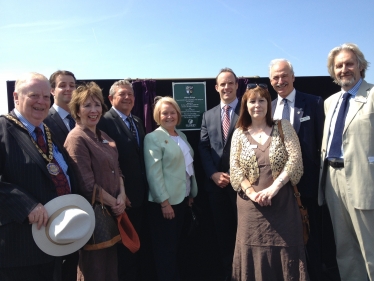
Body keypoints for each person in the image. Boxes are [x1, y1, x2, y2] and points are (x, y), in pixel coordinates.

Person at [0, 72, 77, 281]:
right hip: (20, 249)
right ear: (16, 97)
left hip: (55, 243)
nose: (42, 102)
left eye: (46, 97)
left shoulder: (47, 132)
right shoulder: (3, 129)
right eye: (34, 95)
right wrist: (26, 205)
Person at [230, 84, 309, 280]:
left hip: (283, 205)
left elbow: (295, 160)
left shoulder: (283, 126)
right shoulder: (239, 133)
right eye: (252, 101)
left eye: (262, 100)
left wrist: (273, 189)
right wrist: (253, 194)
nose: (257, 105)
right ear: (246, 106)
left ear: (269, 103)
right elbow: (235, 169)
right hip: (251, 209)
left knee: (287, 253)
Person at [319, 43, 374, 281]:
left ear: (360, 66)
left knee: (370, 248)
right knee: (345, 249)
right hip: (333, 181)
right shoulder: (330, 102)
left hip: (364, 181)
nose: (344, 69)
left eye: (349, 63)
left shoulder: (372, 96)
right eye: (338, 65)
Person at [64, 82, 126, 281]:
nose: (94, 110)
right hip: (92, 219)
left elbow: (118, 170)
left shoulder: (103, 135)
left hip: (112, 215)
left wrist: (122, 196)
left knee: (110, 269)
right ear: (77, 110)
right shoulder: (76, 138)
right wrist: (114, 203)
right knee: (95, 271)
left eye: (97, 105)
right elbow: (86, 185)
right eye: (87, 106)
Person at [269, 59, 324, 280]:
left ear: (293, 77)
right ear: (270, 80)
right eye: (275, 77)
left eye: (284, 76)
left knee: (312, 237)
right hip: (277, 187)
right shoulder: (267, 107)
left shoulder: (314, 103)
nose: (280, 81)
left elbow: (322, 143)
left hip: (308, 185)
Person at [98, 79, 148, 281]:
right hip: (120, 199)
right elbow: (106, 163)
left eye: (130, 94)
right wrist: (120, 192)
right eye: (122, 94)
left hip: (141, 197)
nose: (127, 97)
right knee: (124, 252)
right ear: (111, 98)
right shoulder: (103, 122)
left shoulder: (136, 121)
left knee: (138, 247)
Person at [143, 96, 198, 281]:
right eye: (164, 113)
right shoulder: (153, 137)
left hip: (182, 200)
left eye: (172, 112)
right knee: (165, 251)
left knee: (178, 248)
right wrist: (164, 202)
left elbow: (187, 168)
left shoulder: (181, 136)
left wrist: (190, 193)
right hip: (165, 205)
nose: (169, 116)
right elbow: (154, 173)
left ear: (178, 114)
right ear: (158, 116)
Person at [198, 67, 239, 280]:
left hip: (242, 186)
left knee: (243, 234)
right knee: (222, 236)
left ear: (236, 85)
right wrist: (214, 174)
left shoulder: (250, 110)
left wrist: (234, 173)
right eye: (222, 84)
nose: (226, 87)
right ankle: (228, 275)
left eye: (230, 83)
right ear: (216, 87)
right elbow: (203, 148)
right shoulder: (208, 115)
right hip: (216, 187)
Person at [43, 70, 78, 281]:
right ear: (52, 90)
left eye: (72, 85)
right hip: (55, 202)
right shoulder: (43, 118)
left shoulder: (84, 117)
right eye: (63, 85)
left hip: (82, 198)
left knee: (75, 259)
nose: (68, 89)